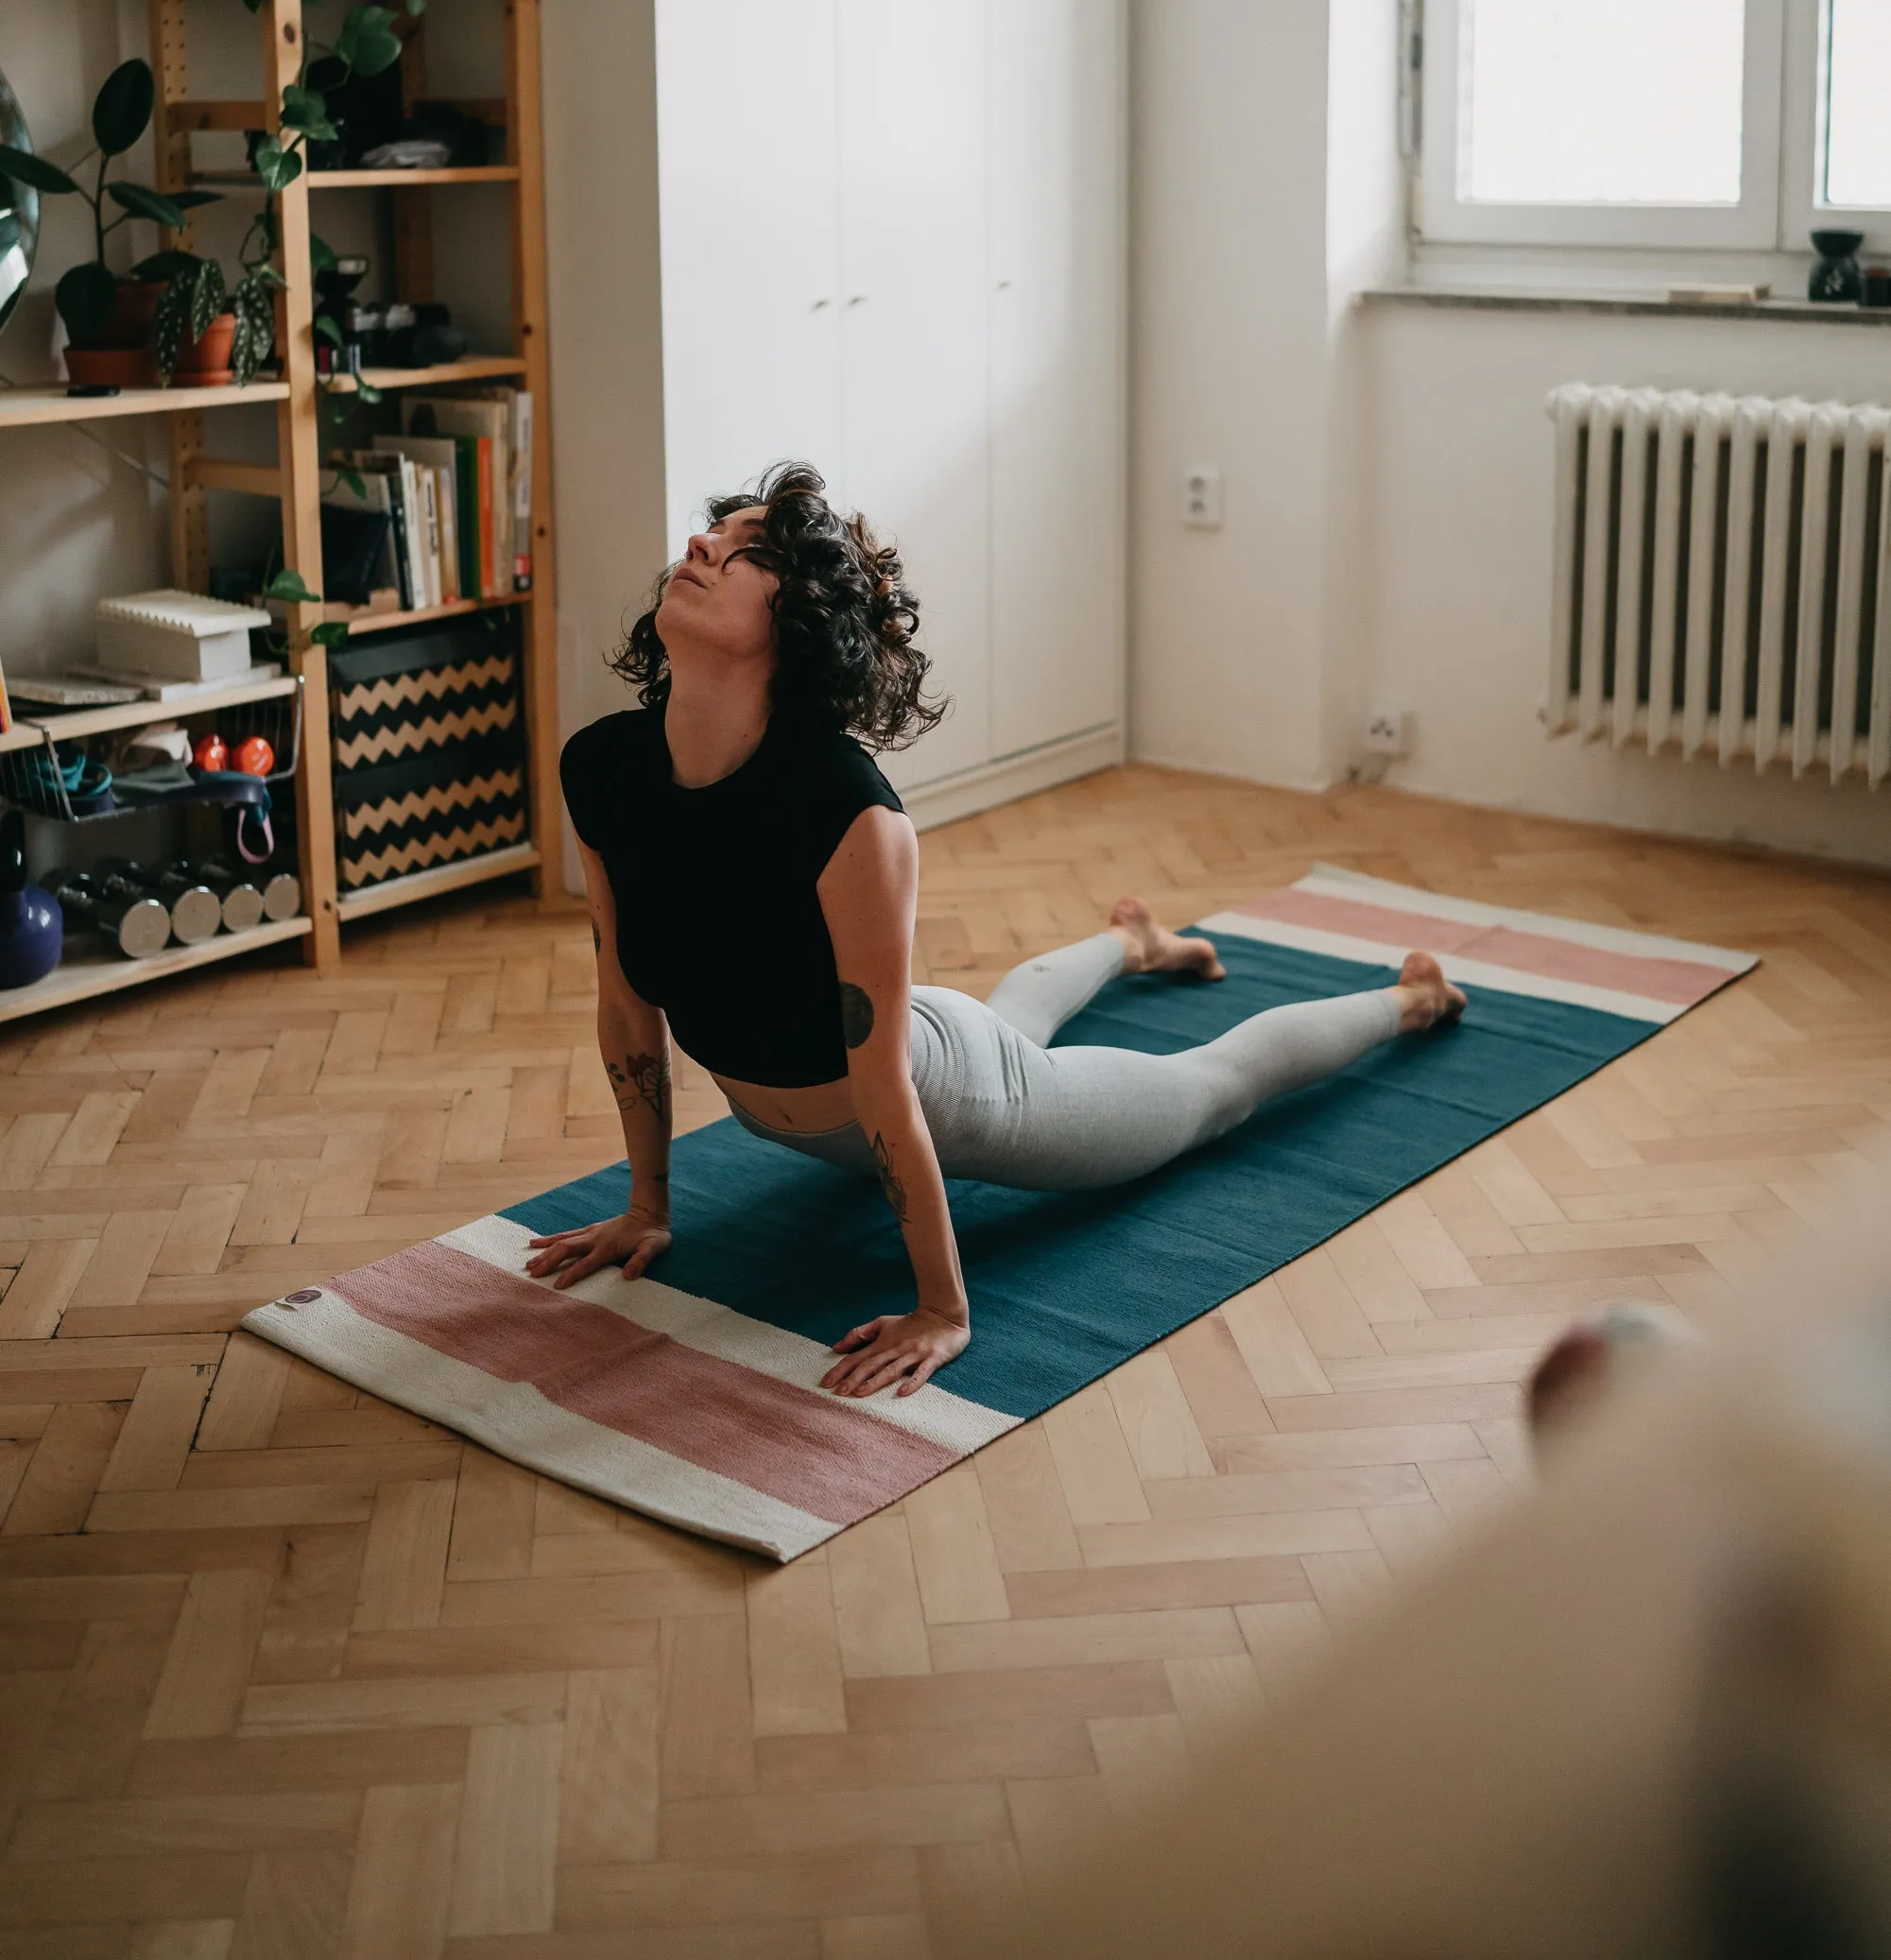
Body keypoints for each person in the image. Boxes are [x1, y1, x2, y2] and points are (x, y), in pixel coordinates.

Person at [535, 462, 1466, 1400]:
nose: (700, 547)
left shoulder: (847, 815)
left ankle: (1410, 998)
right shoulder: (605, 766)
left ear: (802, 624)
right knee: (1004, 1023)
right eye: (713, 535)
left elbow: (887, 1081)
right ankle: (1134, 944)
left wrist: (942, 1308)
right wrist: (647, 1205)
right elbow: (625, 997)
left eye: (748, 552)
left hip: (955, 1095)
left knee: (1207, 1092)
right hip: (845, 1093)